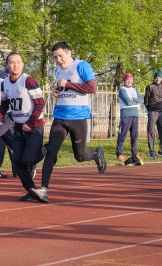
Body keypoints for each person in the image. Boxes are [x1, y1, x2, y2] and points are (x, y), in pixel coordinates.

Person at [32, 41, 107, 202]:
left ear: (69, 53)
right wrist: (56, 90)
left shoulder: (82, 65)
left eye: (60, 56)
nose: (58, 60)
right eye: (55, 57)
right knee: (51, 152)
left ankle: (95, 154)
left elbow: (92, 88)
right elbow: (61, 87)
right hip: (60, 116)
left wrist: (68, 84)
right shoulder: (58, 69)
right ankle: (43, 189)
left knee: (79, 156)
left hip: (78, 117)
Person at [0, 53, 46, 201]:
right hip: (18, 127)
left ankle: (45, 150)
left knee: (27, 160)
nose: (15, 65)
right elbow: (4, 104)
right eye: (12, 62)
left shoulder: (28, 81)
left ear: (23, 64)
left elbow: (40, 103)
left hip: (34, 126)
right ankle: (31, 190)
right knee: (17, 161)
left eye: (18, 62)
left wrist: (30, 123)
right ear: (7, 66)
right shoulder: (4, 83)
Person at [117, 73, 144, 165]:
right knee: (123, 135)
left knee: (134, 136)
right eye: (128, 79)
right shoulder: (122, 89)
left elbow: (142, 100)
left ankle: (134, 153)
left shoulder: (134, 90)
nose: (129, 81)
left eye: (131, 80)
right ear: (124, 81)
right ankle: (119, 153)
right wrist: (134, 100)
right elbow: (128, 102)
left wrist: (134, 98)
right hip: (126, 114)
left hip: (135, 115)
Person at [144, 71, 162, 158]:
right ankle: (152, 151)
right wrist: (150, 109)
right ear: (154, 78)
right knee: (151, 131)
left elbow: (161, 98)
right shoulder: (150, 87)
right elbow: (146, 100)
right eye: (157, 77)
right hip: (152, 112)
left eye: (160, 78)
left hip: (161, 111)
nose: (158, 79)